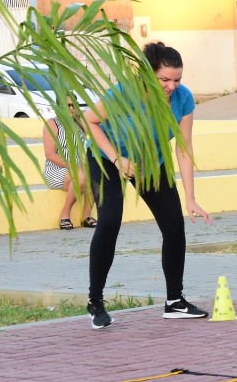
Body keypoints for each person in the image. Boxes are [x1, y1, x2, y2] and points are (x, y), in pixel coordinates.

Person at [83, 41, 211, 329]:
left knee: (174, 226)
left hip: (149, 162)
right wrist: (117, 159)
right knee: (110, 220)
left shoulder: (183, 99)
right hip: (107, 158)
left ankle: (175, 302)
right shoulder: (126, 92)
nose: (172, 85)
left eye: (177, 79)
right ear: (148, 74)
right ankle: (95, 302)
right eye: (165, 79)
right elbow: (90, 120)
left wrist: (191, 198)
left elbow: (184, 148)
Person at [42, 102, 95, 230]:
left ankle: (86, 216)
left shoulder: (80, 123)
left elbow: (95, 135)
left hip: (78, 169)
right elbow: (50, 154)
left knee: (95, 175)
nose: (71, 108)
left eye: (74, 105)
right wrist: (75, 168)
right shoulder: (52, 124)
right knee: (81, 176)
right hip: (56, 169)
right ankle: (65, 213)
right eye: (68, 105)